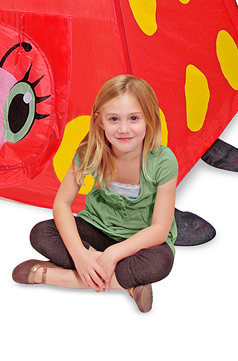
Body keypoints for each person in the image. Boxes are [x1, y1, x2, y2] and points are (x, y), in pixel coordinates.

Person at [12, 75, 178, 313]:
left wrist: (112, 255)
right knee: (41, 233)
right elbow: (62, 204)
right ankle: (127, 284)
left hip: (140, 240)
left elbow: (159, 229)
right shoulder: (91, 151)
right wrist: (81, 255)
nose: (123, 129)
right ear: (100, 120)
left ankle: (55, 276)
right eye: (114, 119)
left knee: (160, 263)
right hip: (98, 230)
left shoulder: (163, 161)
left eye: (134, 118)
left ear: (149, 119)